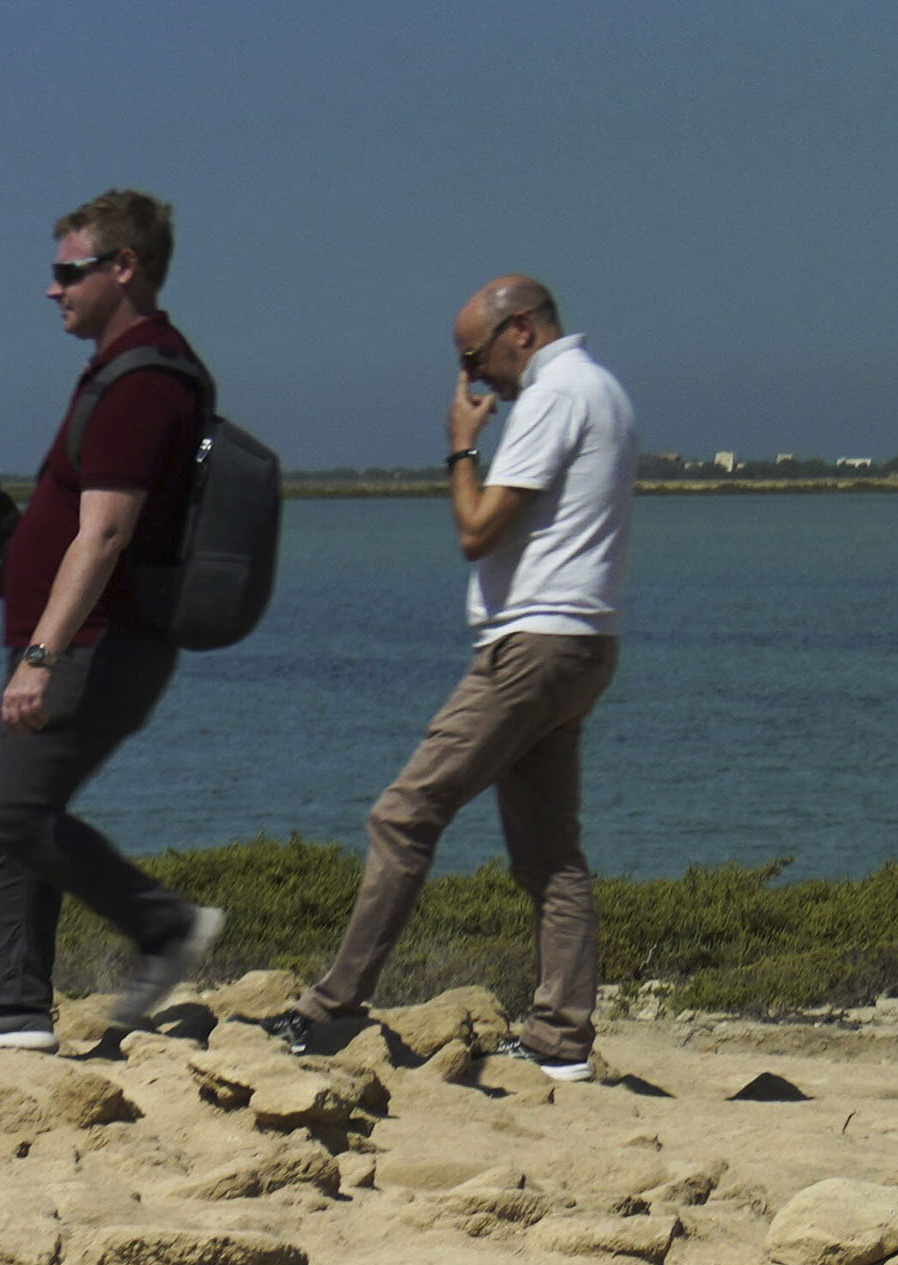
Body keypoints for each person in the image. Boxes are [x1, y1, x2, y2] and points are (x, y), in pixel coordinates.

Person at [268, 276, 636, 1076]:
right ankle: (560, 1038)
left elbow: (477, 530)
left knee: (404, 816)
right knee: (550, 854)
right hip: (585, 644)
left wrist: (461, 445)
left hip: (532, 647)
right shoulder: (604, 389)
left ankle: (332, 1011)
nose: (474, 378)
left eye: (474, 357)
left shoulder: (555, 394)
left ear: (523, 331)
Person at [0, 186, 225, 1053]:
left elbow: (105, 532)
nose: (52, 290)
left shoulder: (144, 380)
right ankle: (19, 1003)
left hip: (95, 643)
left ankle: (162, 925)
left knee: (15, 813)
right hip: (78, 639)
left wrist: (43, 655)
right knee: (21, 809)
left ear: (122, 268)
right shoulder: (123, 369)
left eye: (67, 272)